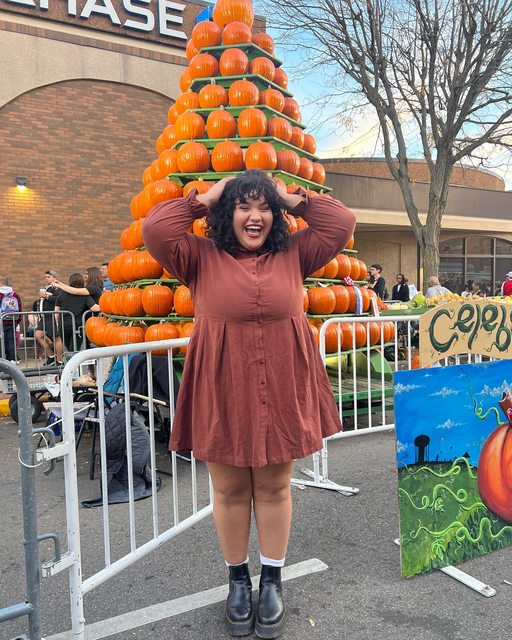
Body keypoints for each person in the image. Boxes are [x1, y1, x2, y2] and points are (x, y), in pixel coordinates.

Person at [143, 170, 356, 638]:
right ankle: (238, 582)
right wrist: (206, 197)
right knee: (230, 490)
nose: (255, 216)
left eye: (264, 207)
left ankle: (272, 580)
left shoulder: (295, 253)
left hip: (281, 383)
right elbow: (155, 229)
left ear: (275, 214)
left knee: (275, 487)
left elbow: (341, 223)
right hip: (222, 386)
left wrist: (291, 197)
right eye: (244, 206)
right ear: (228, 213)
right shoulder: (198, 257)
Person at [54, 273, 100, 352]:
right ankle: (73, 358)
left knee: (68, 347)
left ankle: (70, 357)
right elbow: (94, 308)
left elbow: (56, 311)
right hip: (78, 325)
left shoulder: (61, 294)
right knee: (75, 348)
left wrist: (57, 323)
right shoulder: (84, 296)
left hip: (64, 324)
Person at [35, 270, 63, 365]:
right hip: (44, 316)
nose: (46, 279)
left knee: (56, 338)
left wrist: (47, 296)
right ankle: (51, 356)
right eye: (46, 277)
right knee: (38, 335)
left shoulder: (57, 288)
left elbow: (58, 299)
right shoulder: (46, 288)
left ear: (54, 278)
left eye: (49, 277)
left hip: (52, 316)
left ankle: (59, 360)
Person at [0, 276, 23, 362]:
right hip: (12, 321)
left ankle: (2, 361)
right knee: (11, 341)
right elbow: (19, 309)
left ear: (1, 283)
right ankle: (12, 359)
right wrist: (17, 321)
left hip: (1, 321)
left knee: (1, 341)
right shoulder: (15, 294)